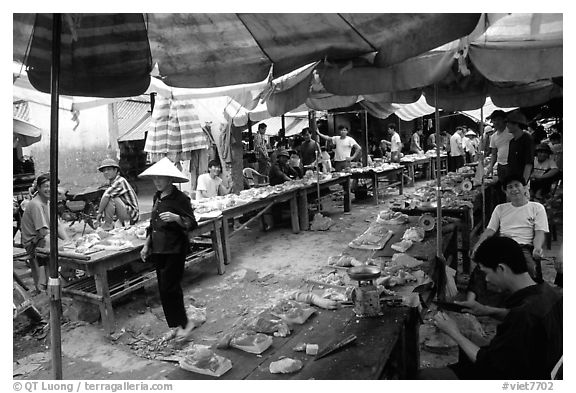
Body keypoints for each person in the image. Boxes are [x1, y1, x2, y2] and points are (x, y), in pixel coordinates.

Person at [421, 236, 562, 380]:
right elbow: (525, 320)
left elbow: (489, 364)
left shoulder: (524, 316)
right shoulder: (549, 293)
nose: (487, 279)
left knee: (424, 377)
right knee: (469, 337)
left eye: (486, 273)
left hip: (515, 377)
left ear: (501, 268)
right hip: (534, 364)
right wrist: (487, 310)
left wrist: (453, 332)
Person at [139, 157, 199, 341]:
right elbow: (153, 224)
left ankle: (185, 323)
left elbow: (191, 223)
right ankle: (174, 325)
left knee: (171, 287)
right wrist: (146, 245)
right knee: (163, 289)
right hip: (159, 248)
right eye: (155, 178)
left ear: (170, 179)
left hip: (175, 248)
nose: (157, 182)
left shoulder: (180, 199)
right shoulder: (157, 197)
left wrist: (176, 218)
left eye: (161, 178)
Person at [470, 174, 548, 290]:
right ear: (505, 191)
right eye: (510, 187)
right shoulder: (500, 208)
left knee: (529, 269)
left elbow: (539, 232)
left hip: (523, 247)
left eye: (517, 186)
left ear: (525, 187)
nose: (514, 189)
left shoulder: (537, 208)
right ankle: (477, 297)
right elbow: (490, 230)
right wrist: (478, 244)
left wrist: (537, 247)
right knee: (480, 265)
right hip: (503, 245)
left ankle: (527, 297)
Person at [20, 174, 70, 292]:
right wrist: (63, 246)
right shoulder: (36, 204)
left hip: (42, 239)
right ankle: (45, 283)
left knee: (69, 248)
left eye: (51, 186)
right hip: (33, 243)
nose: (49, 189)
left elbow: (57, 225)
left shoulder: (48, 202)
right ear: (38, 188)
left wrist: (69, 242)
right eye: (45, 186)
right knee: (57, 248)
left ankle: (63, 279)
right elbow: (43, 232)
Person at [96, 158, 139, 231]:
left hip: (131, 214)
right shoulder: (111, 182)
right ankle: (110, 223)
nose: (106, 172)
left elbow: (106, 195)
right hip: (125, 211)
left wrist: (99, 213)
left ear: (115, 170)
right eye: (104, 170)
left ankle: (108, 225)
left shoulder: (120, 181)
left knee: (109, 197)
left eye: (109, 169)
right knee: (109, 197)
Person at [506, 110, 535, 184]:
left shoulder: (527, 139)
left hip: (522, 180)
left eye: (509, 123)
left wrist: (523, 183)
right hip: (513, 179)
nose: (507, 125)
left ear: (516, 124)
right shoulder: (512, 141)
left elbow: (528, 164)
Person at [486, 110, 514, 183]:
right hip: (500, 166)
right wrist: (491, 167)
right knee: (503, 186)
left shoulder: (512, 131)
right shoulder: (493, 137)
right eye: (494, 120)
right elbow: (494, 154)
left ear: (504, 119)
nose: (496, 122)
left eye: (498, 119)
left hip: (512, 165)